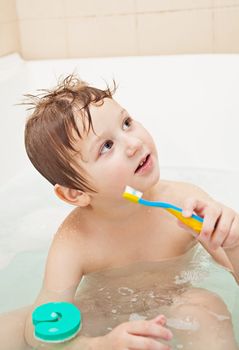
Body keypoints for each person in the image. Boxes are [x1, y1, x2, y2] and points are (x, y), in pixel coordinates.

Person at [3, 75, 239, 350]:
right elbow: (42, 326)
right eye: (106, 147)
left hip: (178, 301)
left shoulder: (184, 203)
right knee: (10, 328)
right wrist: (99, 344)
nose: (134, 143)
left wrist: (233, 243)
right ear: (75, 194)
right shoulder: (75, 240)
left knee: (205, 306)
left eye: (126, 123)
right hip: (102, 311)